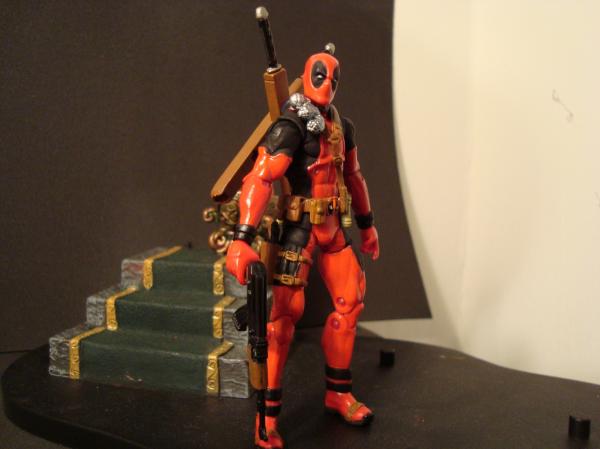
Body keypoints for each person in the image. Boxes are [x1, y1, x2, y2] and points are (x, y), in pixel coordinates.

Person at [226, 47, 379, 449]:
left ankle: (338, 392)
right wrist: (242, 238)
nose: (327, 84)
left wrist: (367, 225)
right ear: (307, 76)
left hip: (334, 227)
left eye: (333, 78)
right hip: (299, 229)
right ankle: (267, 417)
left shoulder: (342, 126)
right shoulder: (291, 123)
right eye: (320, 75)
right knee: (280, 324)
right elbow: (260, 178)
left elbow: (354, 175)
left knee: (350, 304)